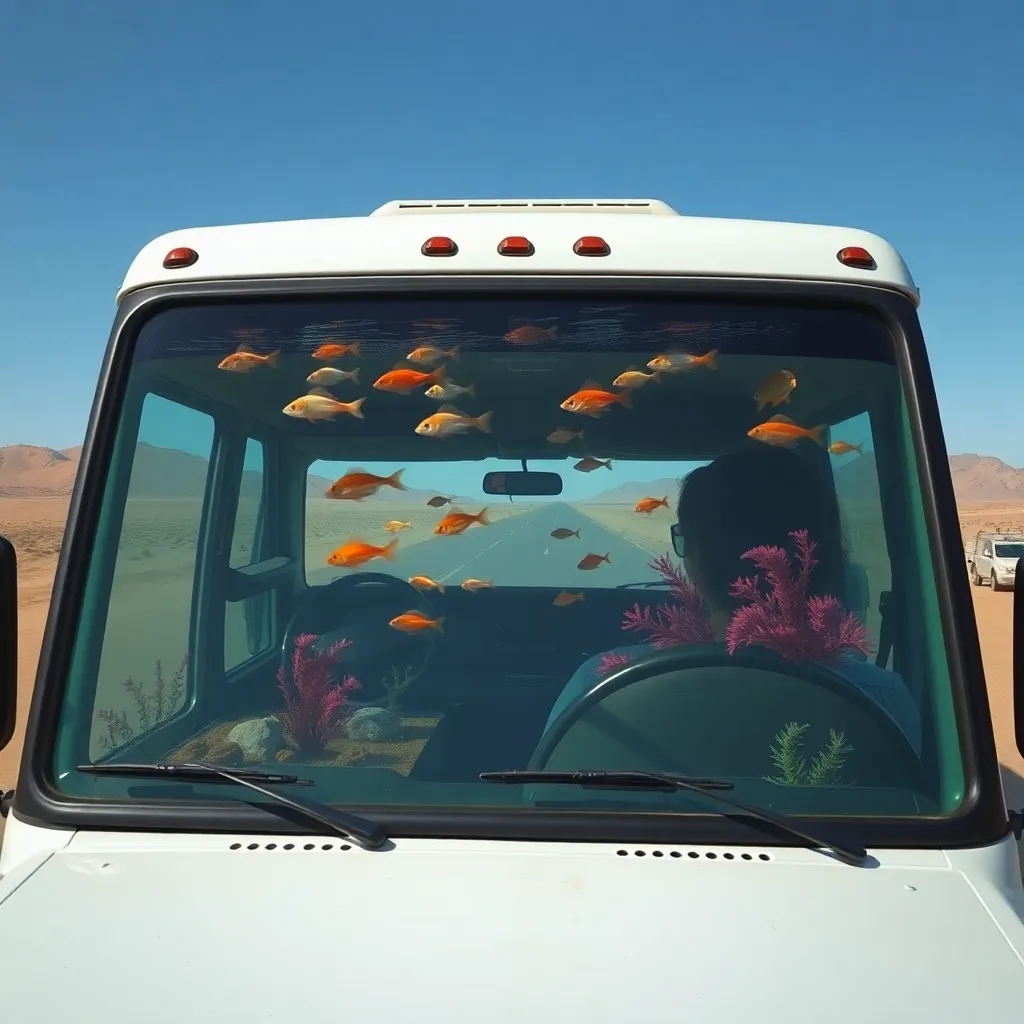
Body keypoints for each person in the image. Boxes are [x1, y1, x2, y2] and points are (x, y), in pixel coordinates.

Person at [544, 445, 922, 755]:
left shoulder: (603, 684)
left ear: (695, 561)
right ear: (822, 557)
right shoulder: (882, 700)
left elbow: (544, 798)